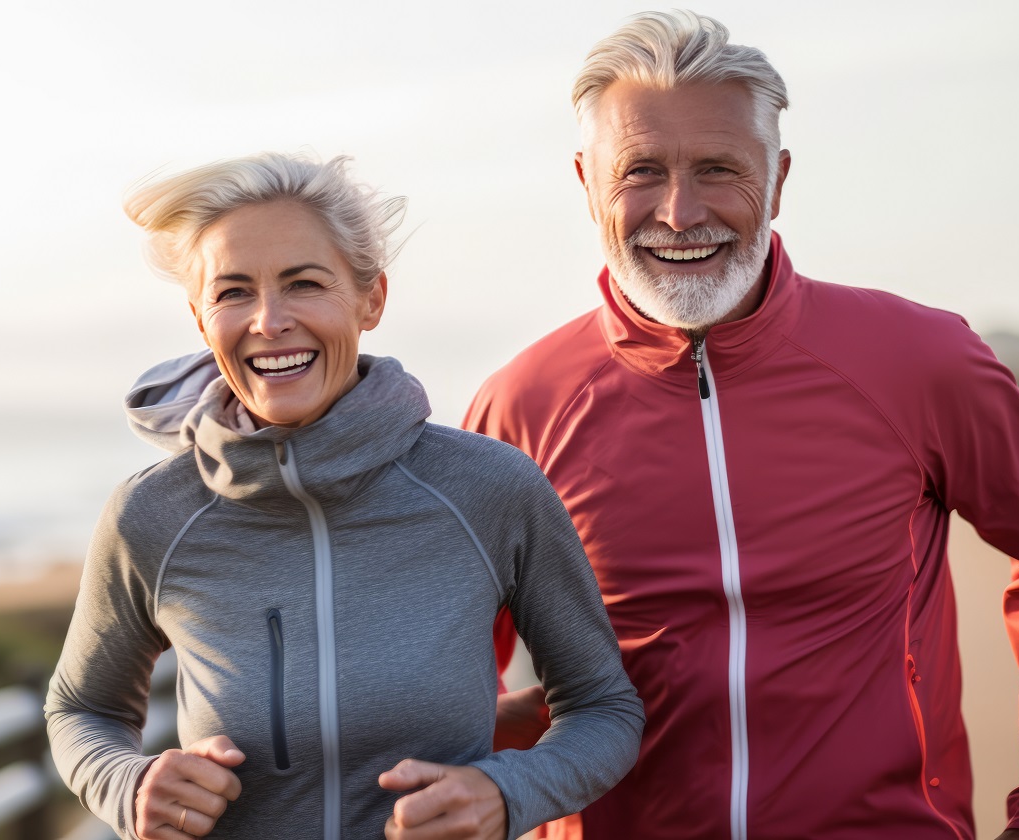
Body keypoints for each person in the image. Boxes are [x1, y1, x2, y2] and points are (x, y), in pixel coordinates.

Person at [467, 10, 1019, 840]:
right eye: (640, 171)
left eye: (719, 168)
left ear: (780, 176)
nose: (680, 213)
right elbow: (440, 673)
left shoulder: (917, 360)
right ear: (587, 182)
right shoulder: (523, 404)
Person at [45, 152, 643, 840]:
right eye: (233, 292)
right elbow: (80, 710)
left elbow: (603, 708)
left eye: (303, 284)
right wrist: (128, 783)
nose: (269, 320)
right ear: (201, 318)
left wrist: (507, 793)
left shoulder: (488, 489)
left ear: (372, 299)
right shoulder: (154, 514)